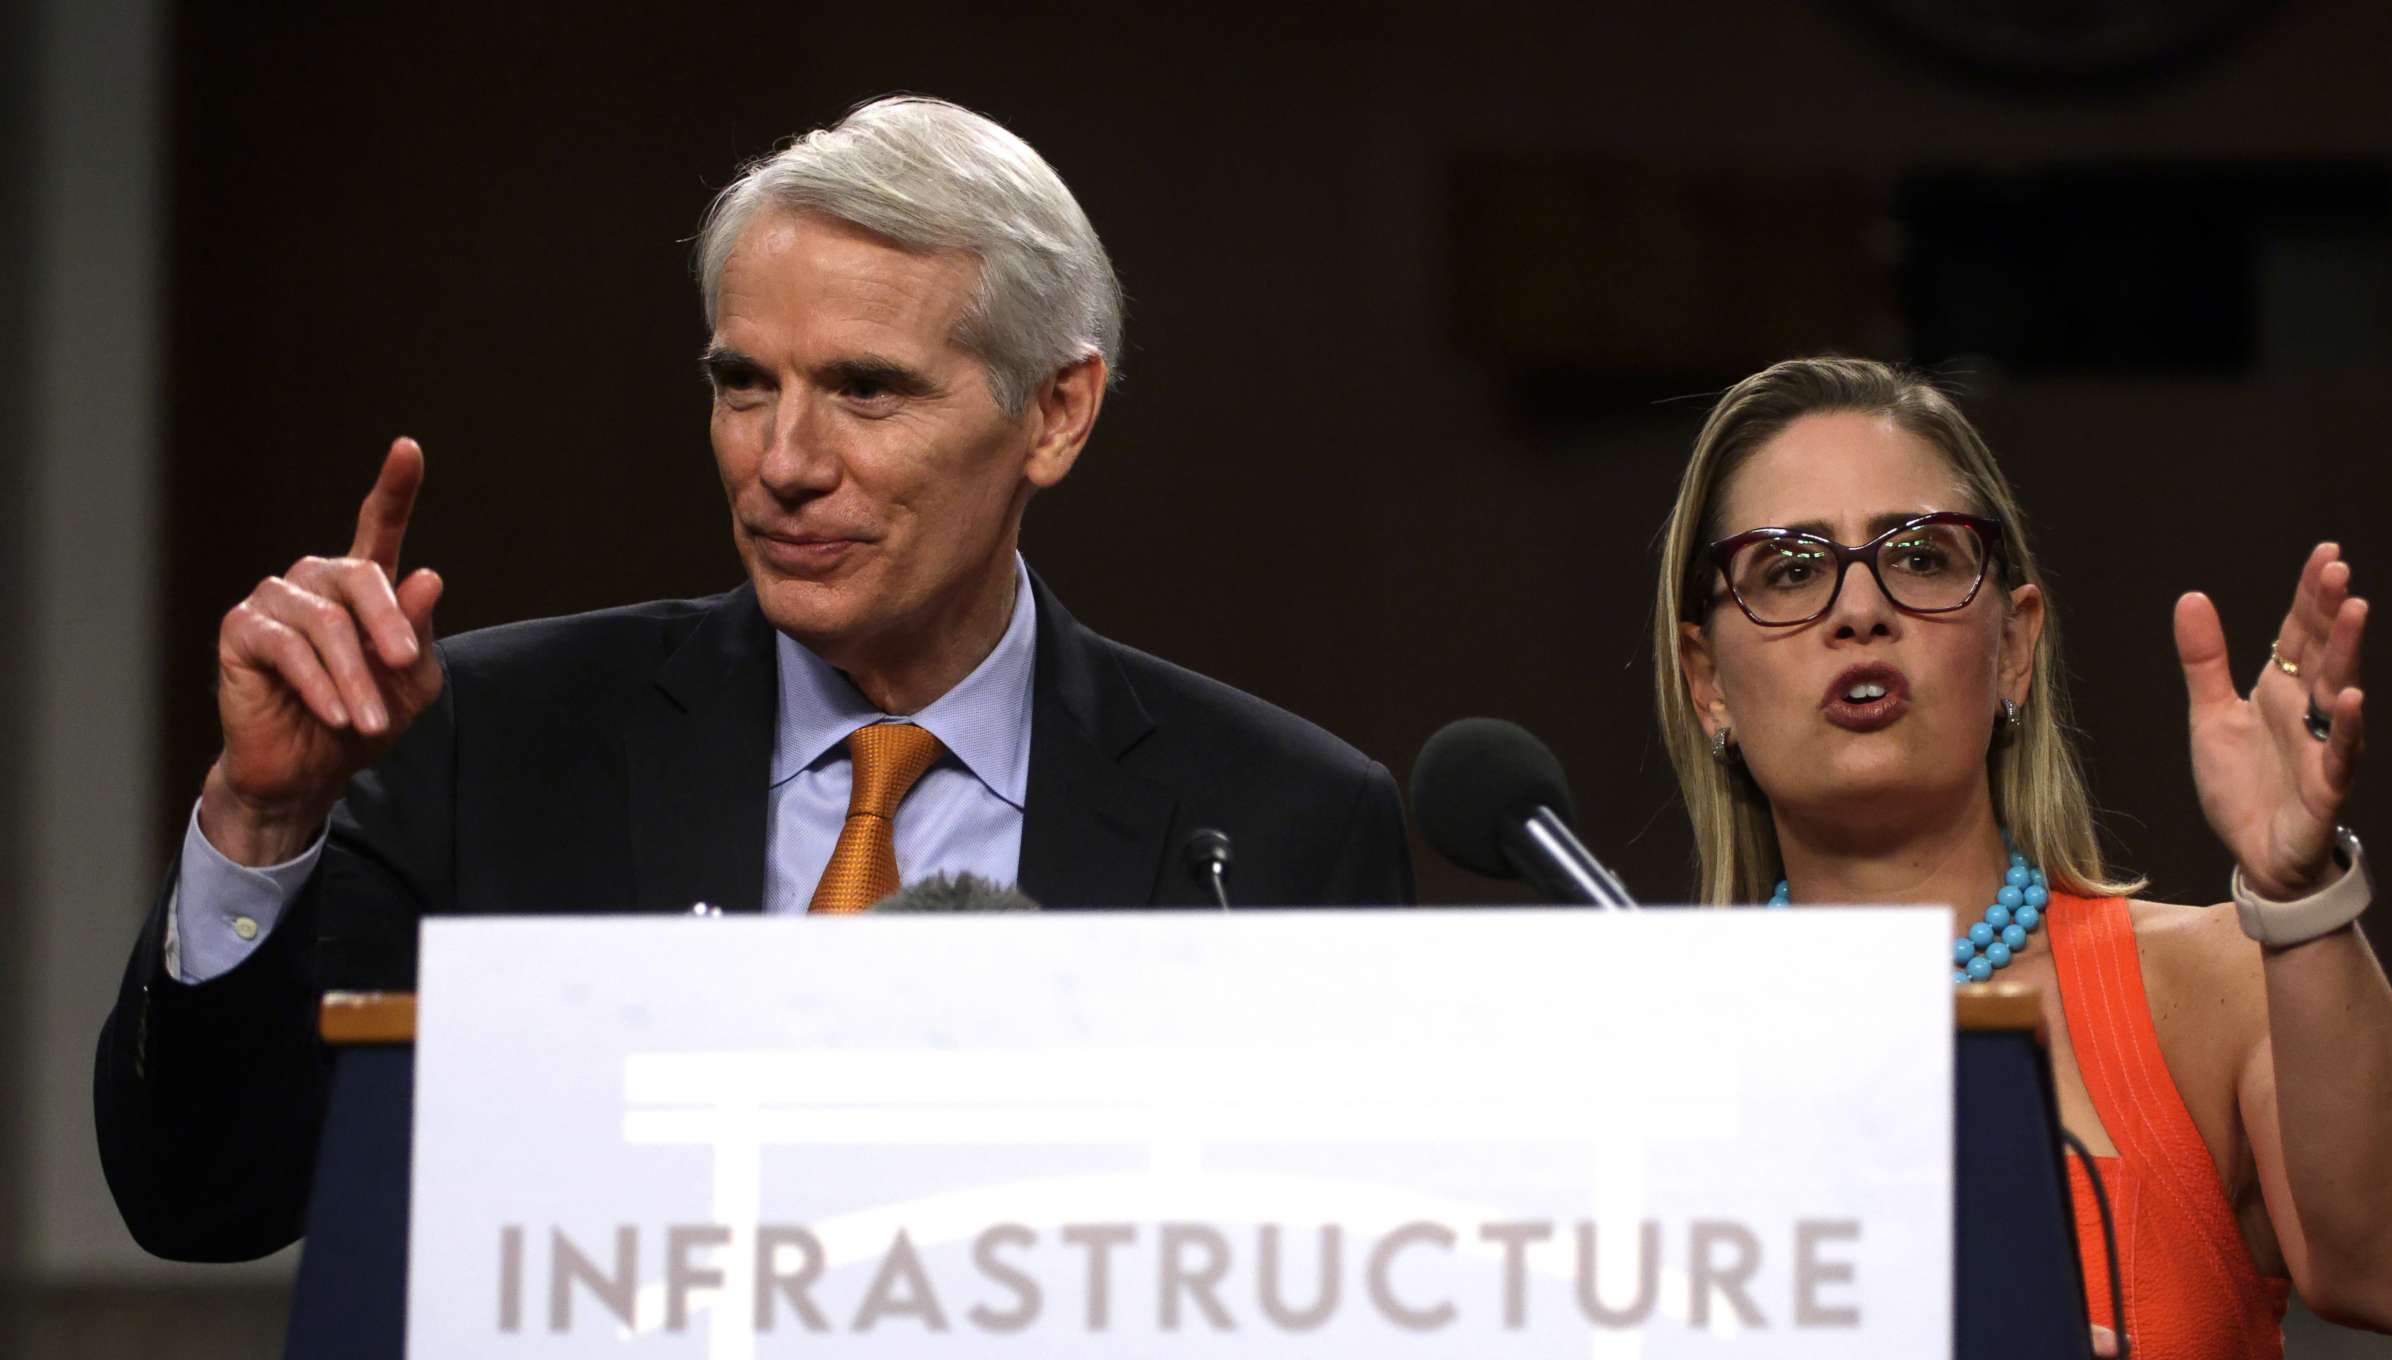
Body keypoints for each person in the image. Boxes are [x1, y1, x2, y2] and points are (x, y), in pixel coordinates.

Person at [97, 96, 1411, 1264]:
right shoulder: (484, 743)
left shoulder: (1281, 827)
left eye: (866, 390)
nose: (783, 460)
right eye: (744, 385)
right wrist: (260, 827)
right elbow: (208, 1200)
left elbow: (1344, 1294)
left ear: (1057, 412)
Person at [1654, 356, 2392, 1360]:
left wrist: (2297, 889)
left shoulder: (2207, 978)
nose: (1860, 607)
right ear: (1708, 677)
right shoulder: (1641, 1049)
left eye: (1919, 556)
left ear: (2016, 640)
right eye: (1789, 570)